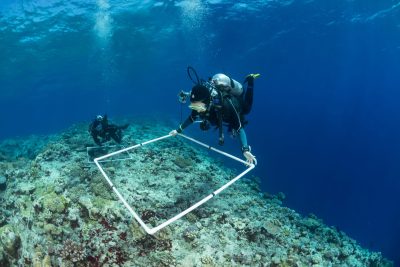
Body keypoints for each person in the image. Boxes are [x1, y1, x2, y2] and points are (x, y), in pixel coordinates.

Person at [170, 73, 259, 165]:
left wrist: (245, 150)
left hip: (233, 106)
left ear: (207, 102)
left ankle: (250, 80)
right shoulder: (199, 103)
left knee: (246, 109)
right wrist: (178, 130)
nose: (197, 110)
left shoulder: (226, 105)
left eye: (198, 106)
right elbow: (192, 118)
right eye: (194, 106)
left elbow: (239, 127)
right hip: (213, 111)